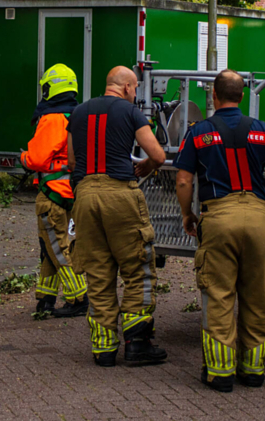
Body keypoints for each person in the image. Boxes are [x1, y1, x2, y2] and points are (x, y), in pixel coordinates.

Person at [174, 69, 265, 393]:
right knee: (256, 296)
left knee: (219, 294)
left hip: (218, 218)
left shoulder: (199, 132)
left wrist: (187, 214)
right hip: (259, 220)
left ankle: (220, 373)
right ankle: (254, 370)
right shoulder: (261, 130)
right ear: (242, 96)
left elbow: (183, 179)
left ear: (214, 97)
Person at [67, 66, 167, 367]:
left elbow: (72, 160)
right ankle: (137, 343)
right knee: (137, 268)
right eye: (134, 88)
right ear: (126, 87)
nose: (135, 93)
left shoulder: (78, 112)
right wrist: (148, 166)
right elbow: (158, 155)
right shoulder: (130, 112)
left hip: (84, 195)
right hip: (120, 194)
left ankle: (103, 348)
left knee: (98, 273)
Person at [20, 64, 88, 318]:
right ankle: (46, 298)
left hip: (52, 194)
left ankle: (79, 297)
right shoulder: (79, 115)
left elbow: (36, 159)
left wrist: (23, 158)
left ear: (52, 88)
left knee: (58, 248)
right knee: (49, 247)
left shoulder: (52, 118)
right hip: (72, 192)